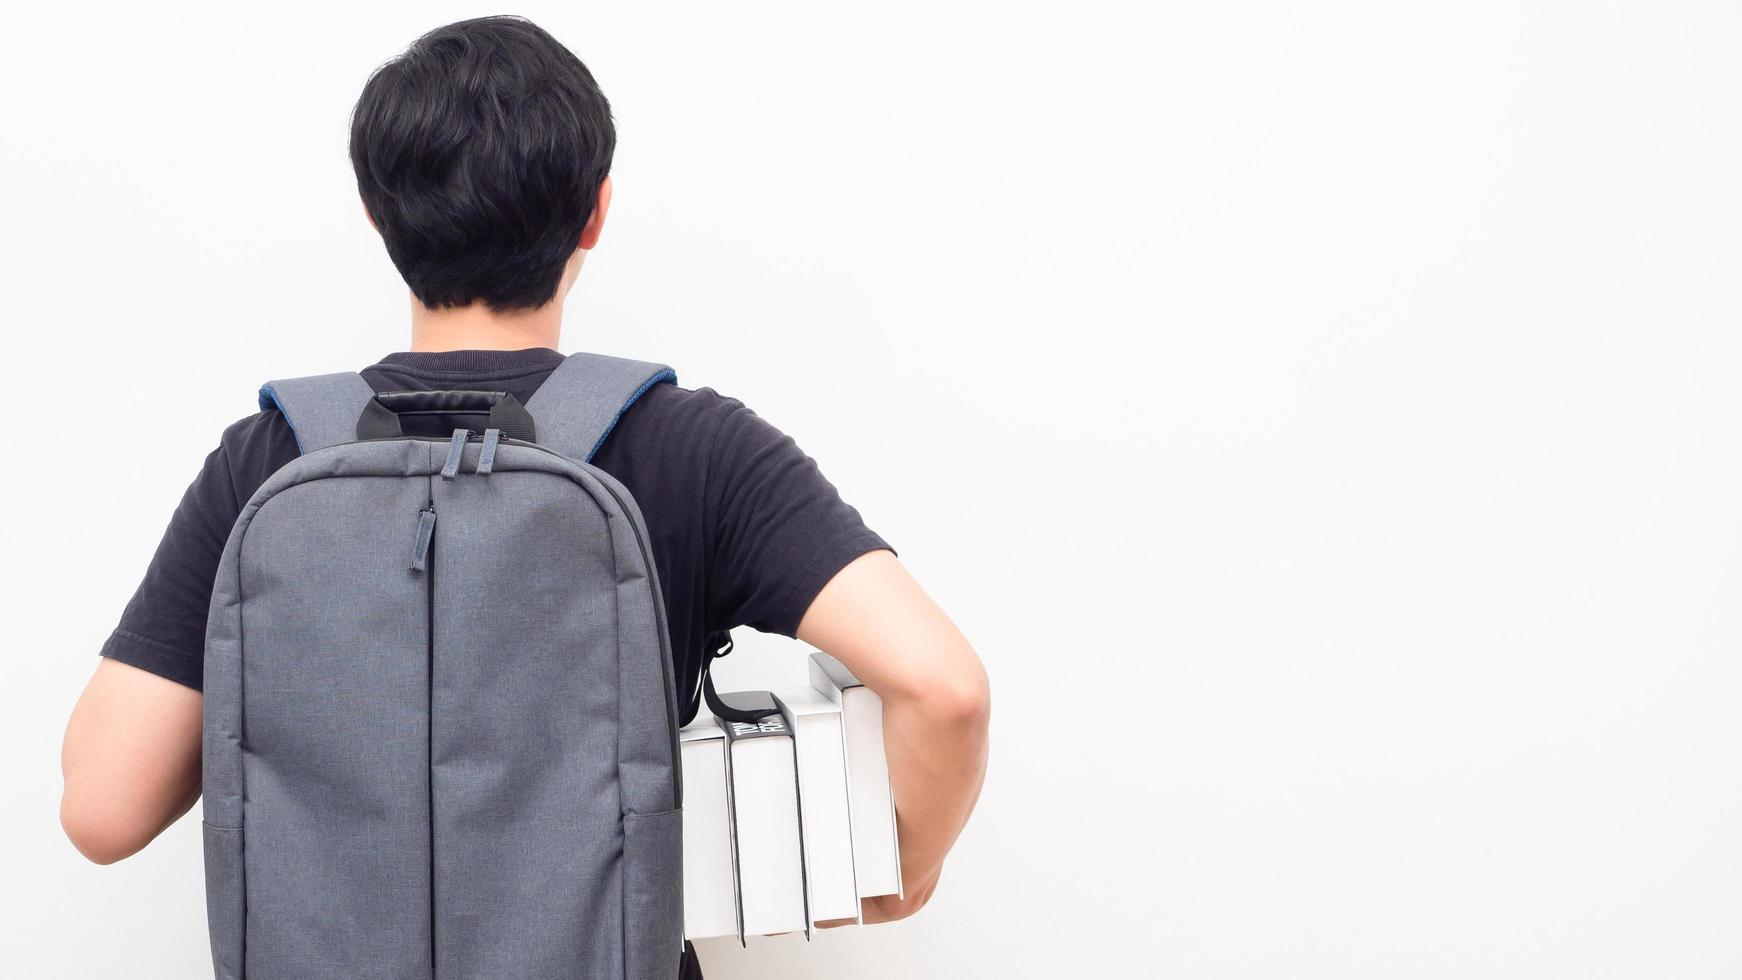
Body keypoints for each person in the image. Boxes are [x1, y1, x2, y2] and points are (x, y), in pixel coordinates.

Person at [57, 15, 990, 979]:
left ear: (377, 215)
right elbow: (945, 689)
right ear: (595, 212)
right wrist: (896, 874)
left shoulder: (271, 457)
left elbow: (103, 809)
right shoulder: (695, 448)